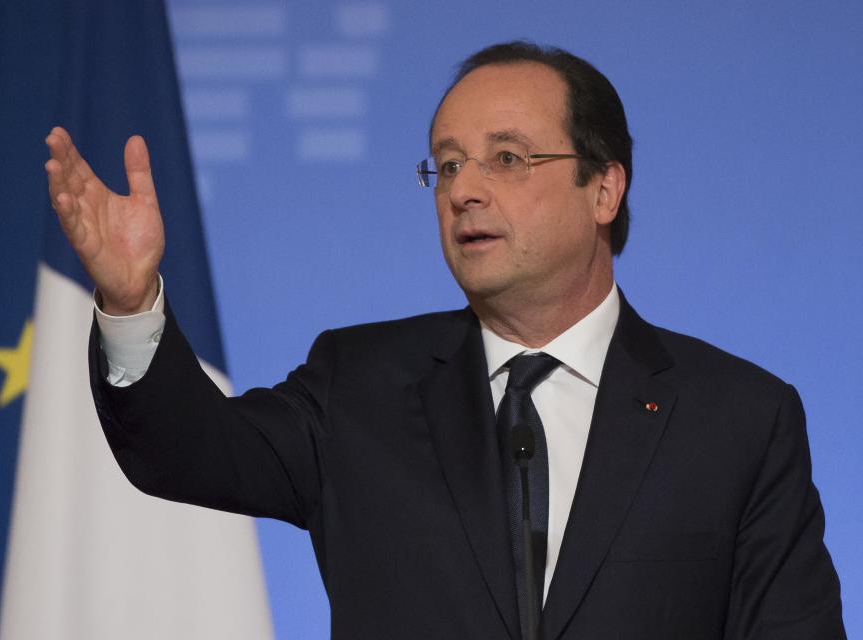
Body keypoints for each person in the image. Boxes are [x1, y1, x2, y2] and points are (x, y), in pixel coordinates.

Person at [45, 42, 845, 639]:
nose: (464, 189)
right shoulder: (356, 385)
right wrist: (130, 295)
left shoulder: (738, 417)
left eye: (507, 158)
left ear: (604, 188)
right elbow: (184, 450)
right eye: (447, 165)